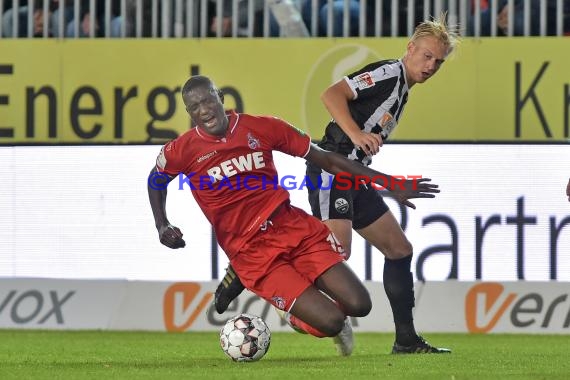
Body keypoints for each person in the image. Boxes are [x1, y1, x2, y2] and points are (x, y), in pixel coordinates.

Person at [215, 13, 457, 354]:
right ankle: (253, 275)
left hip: (355, 177)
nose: (431, 65)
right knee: (335, 254)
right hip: (334, 171)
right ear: (411, 48)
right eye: (427, 56)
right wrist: (356, 134)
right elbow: (331, 94)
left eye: (439, 62)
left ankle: (406, 340)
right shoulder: (389, 73)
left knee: (399, 250)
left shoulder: (403, 88)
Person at [148, 75, 440, 356]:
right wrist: (162, 224)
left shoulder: (262, 127)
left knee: (360, 304)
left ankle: (296, 297)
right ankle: (291, 311)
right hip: (250, 252)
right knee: (331, 322)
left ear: (220, 98)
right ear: (189, 112)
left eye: (208, 101)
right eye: (194, 107)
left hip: (291, 228)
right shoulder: (181, 150)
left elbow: (325, 158)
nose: (204, 111)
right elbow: (156, 180)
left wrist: (389, 182)